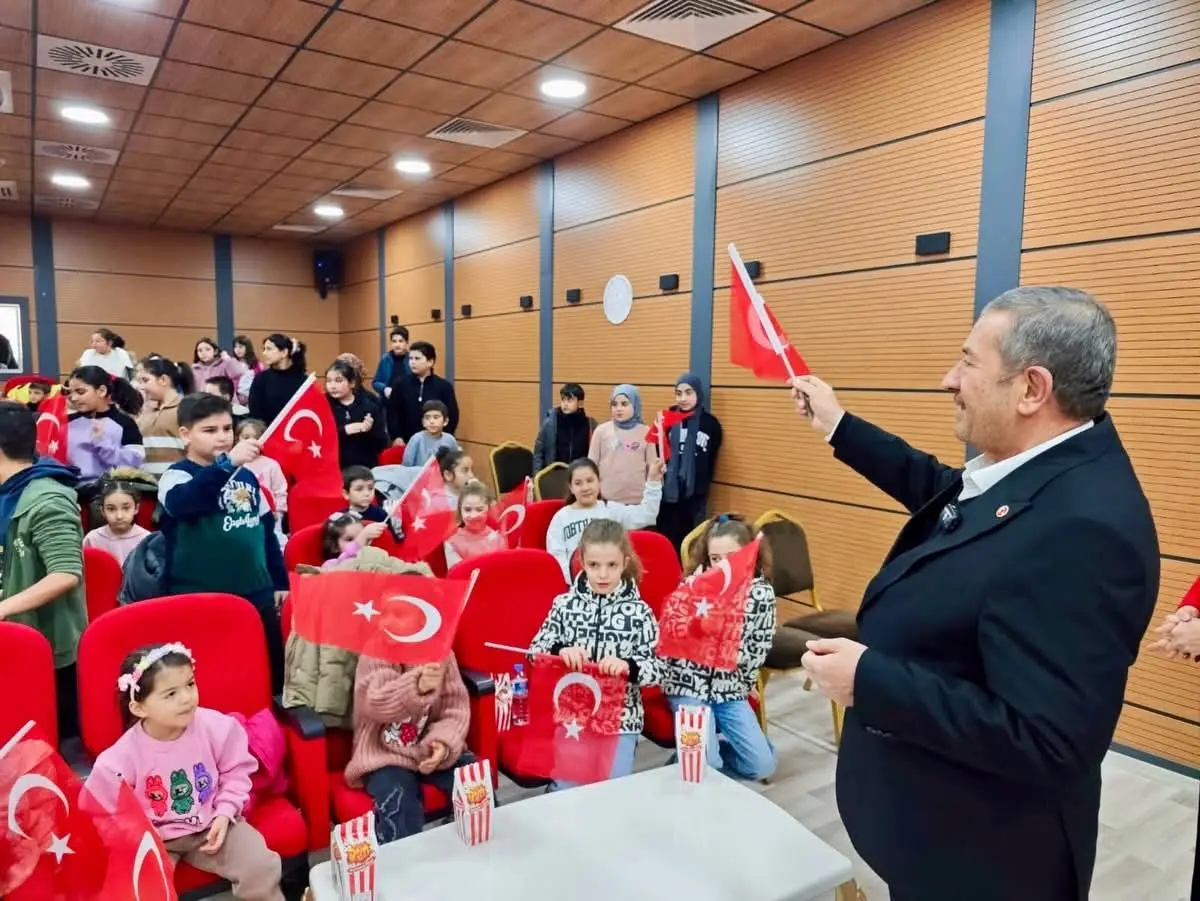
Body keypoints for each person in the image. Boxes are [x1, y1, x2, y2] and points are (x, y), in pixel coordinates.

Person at [793, 286, 1159, 901]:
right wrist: (839, 425)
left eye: (968, 361)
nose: (948, 379)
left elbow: (1050, 741)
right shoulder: (1045, 465)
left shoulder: (1086, 529)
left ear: (1031, 389)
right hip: (937, 833)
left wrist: (870, 681)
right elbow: (950, 499)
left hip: (986, 863)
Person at [86, 643, 284, 901]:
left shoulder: (215, 726)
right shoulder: (121, 757)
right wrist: (138, 834)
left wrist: (224, 814)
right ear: (139, 708)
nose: (186, 698)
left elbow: (236, 771)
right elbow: (101, 808)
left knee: (260, 865)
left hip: (211, 822)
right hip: (155, 838)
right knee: (138, 890)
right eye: (170, 694)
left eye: (190, 684)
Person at [157, 394, 289, 694]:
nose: (222, 437)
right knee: (208, 673)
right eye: (210, 430)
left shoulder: (248, 478)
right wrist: (226, 465)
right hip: (196, 595)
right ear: (185, 434)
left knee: (268, 673)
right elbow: (182, 503)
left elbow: (265, 531)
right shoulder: (176, 476)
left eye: (227, 429)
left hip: (256, 593)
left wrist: (280, 581)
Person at [530, 518, 659, 790]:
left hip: (621, 719)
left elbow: (659, 670)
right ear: (582, 562)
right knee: (568, 791)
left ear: (624, 563)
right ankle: (557, 791)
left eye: (611, 565)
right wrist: (560, 650)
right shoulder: (564, 605)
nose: (602, 574)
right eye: (594, 565)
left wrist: (628, 666)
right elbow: (534, 651)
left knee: (611, 793)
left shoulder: (640, 613)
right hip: (573, 715)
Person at [661, 513, 776, 780]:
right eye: (715, 559)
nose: (723, 566)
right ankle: (693, 759)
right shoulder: (693, 586)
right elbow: (670, 636)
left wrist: (746, 682)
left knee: (761, 766)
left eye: (732, 557)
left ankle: (698, 755)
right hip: (688, 686)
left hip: (729, 689)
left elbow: (758, 646)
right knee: (704, 766)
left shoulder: (761, 594)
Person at [0, 402, 85, 739]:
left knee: (44, 741)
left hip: (46, 645)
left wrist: (4, 608)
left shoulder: (48, 498)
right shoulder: (9, 490)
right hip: (12, 634)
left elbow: (65, 573)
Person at [343, 639, 473, 843]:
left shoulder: (442, 651)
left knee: (474, 780)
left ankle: (477, 853)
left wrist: (443, 743)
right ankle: (402, 868)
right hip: (384, 754)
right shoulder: (376, 650)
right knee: (399, 803)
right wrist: (417, 686)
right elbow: (376, 702)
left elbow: (455, 708)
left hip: (429, 750)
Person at [546, 457, 663, 582]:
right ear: (571, 487)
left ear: (599, 482)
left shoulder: (610, 509)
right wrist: (579, 581)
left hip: (612, 581)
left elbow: (646, 514)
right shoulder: (561, 518)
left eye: (590, 481)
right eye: (578, 483)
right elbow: (556, 558)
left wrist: (653, 481)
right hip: (576, 585)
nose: (585, 487)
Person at [656, 373, 723, 550]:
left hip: (694, 496)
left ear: (698, 393)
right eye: (678, 393)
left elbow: (711, 459)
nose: (683, 398)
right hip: (667, 496)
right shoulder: (667, 419)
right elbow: (657, 451)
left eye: (688, 392)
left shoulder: (710, 424)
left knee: (691, 545)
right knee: (668, 542)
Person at [66, 365, 145, 478]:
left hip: (111, 490)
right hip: (71, 490)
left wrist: (103, 443)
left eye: (81, 392)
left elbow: (136, 462)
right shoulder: (67, 422)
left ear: (102, 391)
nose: (74, 398)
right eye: (71, 393)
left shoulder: (125, 423)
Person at [588, 384, 655, 505]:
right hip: (606, 502)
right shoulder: (601, 431)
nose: (618, 408)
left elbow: (652, 468)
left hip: (639, 503)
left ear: (635, 405)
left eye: (624, 404)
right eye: (614, 404)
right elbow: (591, 466)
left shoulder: (646, 432)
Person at [388, 341, 458, 443]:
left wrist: (443, 439)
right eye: (410, 358)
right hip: (405, 442)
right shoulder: (400, 384)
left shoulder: (444, 387)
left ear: (430, 362)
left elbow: (452, 416)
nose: (412, 362)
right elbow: (392, 413)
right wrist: (396, 436)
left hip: (436, 442)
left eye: (417, 358)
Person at [136, 356, 194, 476]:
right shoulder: (146, 411)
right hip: (149, 485)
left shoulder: (186, 409)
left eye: (145, 380)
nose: (141, 387)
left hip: (177, 483)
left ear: (163, 380)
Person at [326, 360, 388, 470]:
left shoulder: (369, 406)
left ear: (352, 383)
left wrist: (369, 430)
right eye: (329, 381)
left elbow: (382, 443)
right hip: (333, 468)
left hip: (364, 468)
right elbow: (320, 438)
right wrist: (345, 430)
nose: (333, 386)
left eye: (338, 381)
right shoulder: (324, 407)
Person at [83, 479, 151, 567]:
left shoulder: (147, 539)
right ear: (102, 511)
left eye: (126, 508)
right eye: (111, 509)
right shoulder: (92, 539)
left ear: (136, 508)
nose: (119, 516)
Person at [532, 383, 596, 473]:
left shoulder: (590, 425)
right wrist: (536, 477)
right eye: (563, 400)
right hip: (554, 475)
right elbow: (539, 452)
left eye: (570, 400)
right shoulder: (550, 422)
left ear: (580, 403)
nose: (565, 404)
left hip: (579, 476)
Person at [247, 333, 307, 427]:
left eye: (269, 349)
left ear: (284, 352)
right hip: (267, 433)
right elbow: (255, 413)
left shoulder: (303, 380)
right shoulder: (261, 379)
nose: (264, 353)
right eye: (264, 349)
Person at [236, 419, 287, 527]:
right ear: (237, 439)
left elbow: (280, 491)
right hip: (241, 519)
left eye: (256, 438)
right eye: (246, 437)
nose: (251, 441)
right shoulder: (234, 464)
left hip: (271, 518)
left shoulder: (271, 465)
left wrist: (278, 512)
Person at [443, 480, 505, 569]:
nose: (473, 515)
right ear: (460, 510)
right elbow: (458, 575)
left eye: (479, 509)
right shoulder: (452, 544)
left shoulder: (497, 539)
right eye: (467, 510)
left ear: (488, 509)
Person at [320, 511, 386, 569]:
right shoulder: (331, 565)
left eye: (362, 536)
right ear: (334, 547)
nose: (360, 541)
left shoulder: (371, 559)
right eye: (349, 539)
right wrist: (362, 537)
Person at [402, 400, 459, 467]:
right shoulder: (416, 439)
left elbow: (456, 463)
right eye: (427, 418)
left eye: (436, 417)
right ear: (423, 422)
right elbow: (406, 465)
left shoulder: (450, 440)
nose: (431, 421)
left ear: (445, 421)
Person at [372, 325, 411, 398]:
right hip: (388, 402)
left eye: (400, 341)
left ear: (406, 342)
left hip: (408, 401)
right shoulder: (385, 359)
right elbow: (375, 382)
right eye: (394, 341)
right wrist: (384, 388)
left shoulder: (411, 359)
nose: (397, 345)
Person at [231, 335, 261, 405]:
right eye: (235, 347)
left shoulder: (257, 365)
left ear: (248, 348)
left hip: (252, 399)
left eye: (240, 347)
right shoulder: (232, 363)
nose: (237, 350)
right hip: (236, 399)